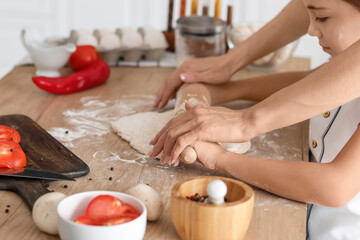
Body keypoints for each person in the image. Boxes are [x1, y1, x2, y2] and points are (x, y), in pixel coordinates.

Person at [149, 0, 360, 239]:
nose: (310, 30)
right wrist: (223, 90)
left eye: (321, 18)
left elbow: (335, 186)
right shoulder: (344, 56)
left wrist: (221, 157)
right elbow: (315, 82)